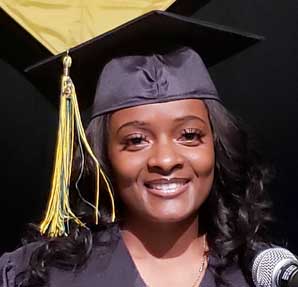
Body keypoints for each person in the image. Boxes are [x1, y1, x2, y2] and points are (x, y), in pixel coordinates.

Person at [0, 9, 272, 287]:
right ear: (103, 155)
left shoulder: (260, 275)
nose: (165, 160)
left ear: (217, 147)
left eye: (189, 135)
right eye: (136, 140)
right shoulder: (41, 275)